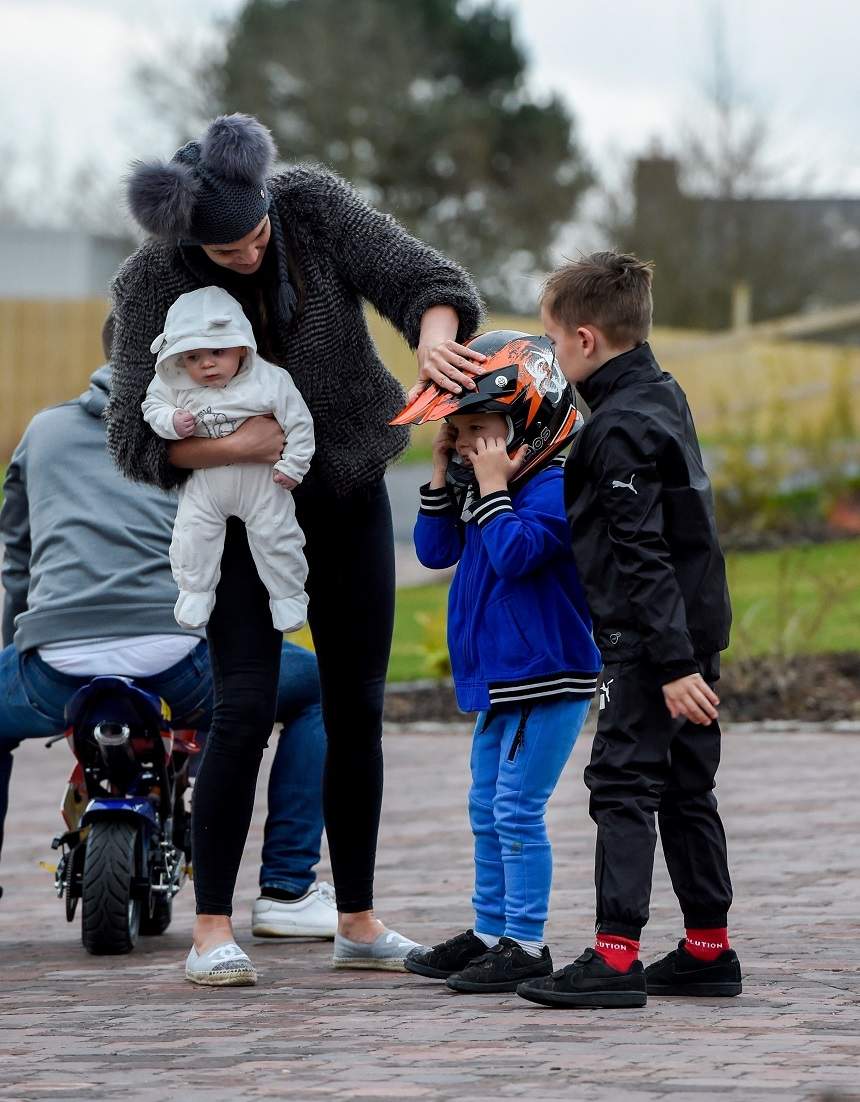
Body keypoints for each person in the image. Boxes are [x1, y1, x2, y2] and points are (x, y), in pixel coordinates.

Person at [109, 112, 484, 984]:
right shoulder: (149, 281)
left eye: (255, 236)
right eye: (228, 249)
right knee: (243, 706)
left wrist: (432, 334)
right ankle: (211, 932)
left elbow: (423, 277)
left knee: (358, 706)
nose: (249, 253)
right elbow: (133, 440)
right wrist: (241, 447)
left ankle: (356, 918)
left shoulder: (309, 205)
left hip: (348, 493)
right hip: (239, 518)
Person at [0, 335, 336, 940]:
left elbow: (17, 560)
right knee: (317, 690)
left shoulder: (43, 432)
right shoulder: (211, 438)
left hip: (54, 665)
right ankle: (288, 887)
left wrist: (20, 648)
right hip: (177, 659)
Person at [517, 252, 741, 1010]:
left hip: (652, 646)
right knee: (686, 786)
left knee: (622, 784)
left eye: (551, 341)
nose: (549, 356)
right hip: (692, 633)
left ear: (585, 339)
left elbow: (641, 551)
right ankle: (708, 950)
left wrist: (671, 664)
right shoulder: (661, 394)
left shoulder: (614, 429)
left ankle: (614, 958)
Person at [393, 332, 601, 994]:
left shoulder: (553, 487)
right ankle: (490, 931)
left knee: (516, 809)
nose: (462, 443)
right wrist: (442, 476)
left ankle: (526, 942)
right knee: (485, 806)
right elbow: (432, 551)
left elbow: (514, 556)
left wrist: (489, 487)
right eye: (456, 431)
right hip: (502, 680)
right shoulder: (489, 485)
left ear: (528, 423)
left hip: (548, 676)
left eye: (477, 429)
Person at [143, 286, 314, 632]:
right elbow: (152, 406)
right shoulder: (176, 386)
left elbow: (299, 422)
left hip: (263, 482)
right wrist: (172, 422)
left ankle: (288, 596)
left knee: (277, 534)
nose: (206, 364)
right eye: (192, 357)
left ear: (239, 346)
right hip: (206, 485)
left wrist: (294, 465)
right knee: (192, 535)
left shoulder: (269, 380)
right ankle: (194, 591)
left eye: (217, 352)